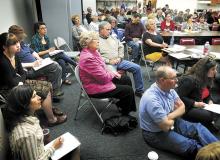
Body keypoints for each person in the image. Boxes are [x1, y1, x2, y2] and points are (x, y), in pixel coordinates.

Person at [139, 66, 218, 159]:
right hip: (155, 133)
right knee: (192, 146)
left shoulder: (170, 89)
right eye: (173, 78)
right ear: (162, 80)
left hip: (172, 121)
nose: (177, 80)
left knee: (198, 128)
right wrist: (175, 113)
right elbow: (165, 127)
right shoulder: (152, 99)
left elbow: (183, 108)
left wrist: (169, 116)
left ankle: (218, 149)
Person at [0, 32, 67, 126]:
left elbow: (22, 74)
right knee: (45, 89)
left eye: (17, 42)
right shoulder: (2, 61)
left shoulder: (15, 55)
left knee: (48, 85)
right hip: (8, 90)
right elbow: (11, 83)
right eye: (14, 44)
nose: (18, 45)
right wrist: (21, 79)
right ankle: (51, 120)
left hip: (18, 83)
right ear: (4, 47)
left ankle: (48, 109)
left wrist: (20, 79)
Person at [3, 85, 80, 160]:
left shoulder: (23, 118)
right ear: (24, 105)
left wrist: (40, 140)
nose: (39, 97)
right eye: (34, 96)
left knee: (72, 142)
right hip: (41, 154)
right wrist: (53, 147)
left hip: (39, 150)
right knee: (75, 145)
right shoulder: (27, 135)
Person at [79, 31, 136, 115]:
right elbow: (103, 78)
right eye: (95, 39)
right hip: (94, 88)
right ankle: (125, 114)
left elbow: (103, 69)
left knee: (125, 79)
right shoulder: (88, 58)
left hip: (99, 81)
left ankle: (122, 105)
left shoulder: (94, 52)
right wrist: (114, 73)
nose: (98, 41)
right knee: (128, 90)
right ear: (88, 42)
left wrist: (113, 72)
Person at [8, 25, 63, 97]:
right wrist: (32, 64)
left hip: (36, 65)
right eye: (19, 38)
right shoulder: (12, 47)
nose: (20, 41)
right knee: (55, 66)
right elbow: (16, 65)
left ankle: (53, 91)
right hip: (29, 69)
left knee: (56, 65)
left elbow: (32, 51)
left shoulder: (21, 43)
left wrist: (39, 59)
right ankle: (54, 91)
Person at [99, 21, 144, 97]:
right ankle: (116, 95)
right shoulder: (96, 41)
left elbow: (121, 47)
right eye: (107, 29)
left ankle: (139, 90)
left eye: (110, 29)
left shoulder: (112, 37)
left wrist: (120, 57)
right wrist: (109, 61)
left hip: (118, 60)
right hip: (107, 64)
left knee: (137, 68)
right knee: (116, 77)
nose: (110, 31)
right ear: (100, 29)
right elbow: (96, 57)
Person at [176, 57, 219, 130]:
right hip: (187, 108)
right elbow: (179, 97)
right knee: (210, 115)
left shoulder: (207, 78)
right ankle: (206, 123)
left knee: (215, 109)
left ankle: (207, 123)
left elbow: (207, 93)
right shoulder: (190, 80)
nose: (216, 72)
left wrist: (209, 100)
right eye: (213, 69)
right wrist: (195, 103)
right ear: (204, 70)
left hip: (201, 104)